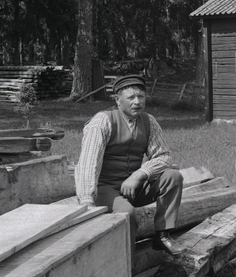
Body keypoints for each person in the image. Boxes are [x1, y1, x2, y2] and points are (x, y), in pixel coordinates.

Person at [74, 74, 184, 252]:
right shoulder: (102, 121)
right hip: (104, 188)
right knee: (127, 213)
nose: (137, 102)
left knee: (173, 176)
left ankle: (162, 235)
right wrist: (87, 200)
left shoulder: (149, 121)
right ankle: (126, 264)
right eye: (131, 97)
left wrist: (140, 174)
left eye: (141, 96)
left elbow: (164, 156)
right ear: (117, 100)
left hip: (133, 187)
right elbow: (88, 163)